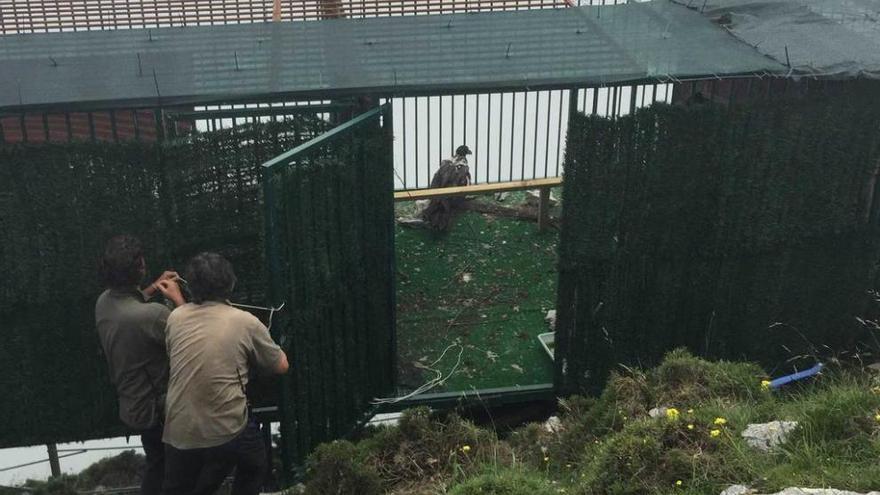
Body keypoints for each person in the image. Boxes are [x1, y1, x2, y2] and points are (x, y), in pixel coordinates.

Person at [157, 252, 289, 495]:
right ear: (230, 283)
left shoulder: (175, 318)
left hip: (178, 432)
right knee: (255, 462)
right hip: (226, 431)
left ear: (191, 286)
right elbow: (281, 366)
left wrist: (178, 300)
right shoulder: (245, 321)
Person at [95, 234, 184, 495]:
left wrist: (154, 288)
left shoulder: (104, 302)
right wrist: (178, 300)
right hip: (159, 411)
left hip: (133, 404)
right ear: (140, 267)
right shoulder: (154, 316)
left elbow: (130, 307)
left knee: (157, 465)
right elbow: (193, 334)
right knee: (174, 472)